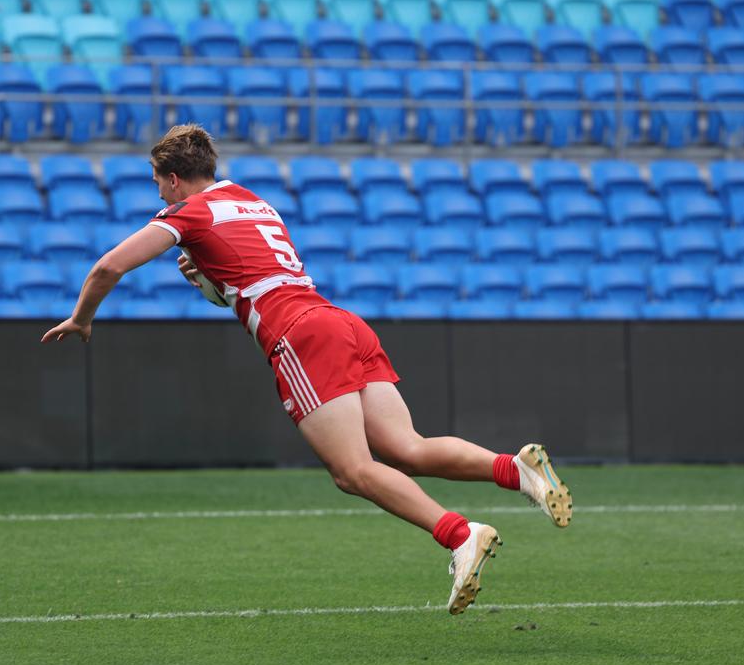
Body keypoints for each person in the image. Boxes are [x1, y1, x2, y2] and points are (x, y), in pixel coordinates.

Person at [42, 124, 573, 615]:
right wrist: (205, 279)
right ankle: (516, 469)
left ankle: (459, 535)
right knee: (406, 447)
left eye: (158, 183)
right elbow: (246, 278)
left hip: (300, 334)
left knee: (352, 471)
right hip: (339, 319)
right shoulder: (253, 201)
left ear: (174, 178)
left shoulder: (187, 213)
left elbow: (109, 265)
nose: (158, 194)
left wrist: (81, 318)